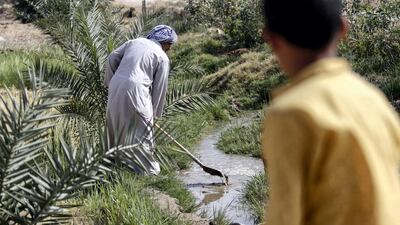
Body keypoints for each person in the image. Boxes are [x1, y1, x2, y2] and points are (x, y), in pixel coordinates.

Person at [260, 0, 400, 225]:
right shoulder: (374, 99)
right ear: (343, 29)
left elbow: (285, 217)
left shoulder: (291, 113)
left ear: (271, 39)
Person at [105, 25, 177, 175]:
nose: (169, 48)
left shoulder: (134, 42)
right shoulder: (162, 57)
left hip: (115, 85)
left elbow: (111, 58)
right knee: (143, 133)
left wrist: (113, 82)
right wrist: (154, 115)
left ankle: (115, 167)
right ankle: (148, 173)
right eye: (170, 44)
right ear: (164, 41)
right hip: (137, 89)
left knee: (116, 126)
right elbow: (160, 88)